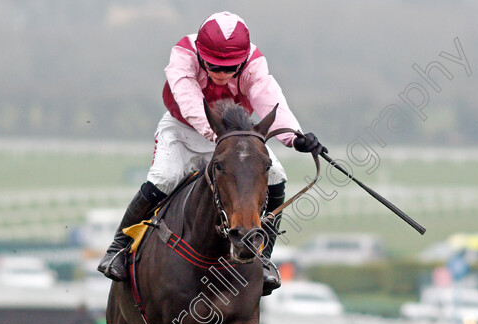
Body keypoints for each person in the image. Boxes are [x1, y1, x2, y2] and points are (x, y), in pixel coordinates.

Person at [97, 11, 326, 296]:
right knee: (163, 178)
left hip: (232, 137)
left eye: (230, 69)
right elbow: (190, 101)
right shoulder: (183, 54)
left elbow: (269, 98)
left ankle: (264, 259)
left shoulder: (254, 63)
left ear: (242, 60)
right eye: (214, 66)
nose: (222, 74)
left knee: (277, 176)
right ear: (201, 55)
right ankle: (118, 248)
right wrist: (218, 135)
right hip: (183, 130)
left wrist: (296, 138)